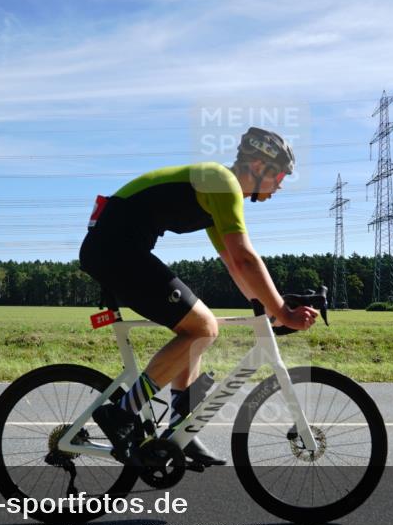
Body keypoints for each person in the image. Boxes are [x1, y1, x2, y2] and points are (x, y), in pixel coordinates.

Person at [79, 127, 318, 466]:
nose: (280, 184)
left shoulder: (215, 190)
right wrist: (281, 308)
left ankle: (181, 431)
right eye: (279, 175)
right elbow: (245, 258)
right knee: (203, 327)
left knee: (196, 326)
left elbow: (236, 268)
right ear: (260, 166)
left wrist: (271, 312)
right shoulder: (222, 182)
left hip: (116, 248)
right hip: (115, 250)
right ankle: (121, 414)